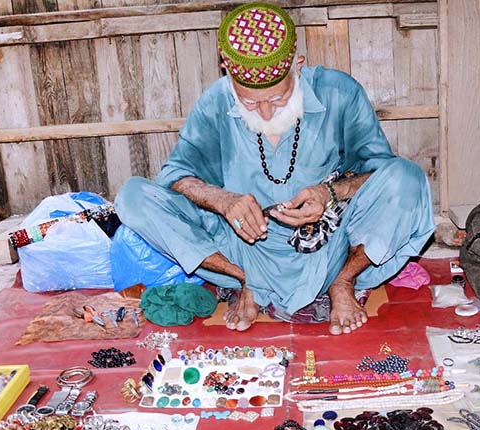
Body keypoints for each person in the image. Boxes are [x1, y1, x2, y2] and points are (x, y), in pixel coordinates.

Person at [115, 2, 434, 335]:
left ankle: (343, 283)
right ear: (227, 75)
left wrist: (328, 192)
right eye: (250, 102)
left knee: (407, 178)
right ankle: (247, 283)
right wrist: (224, 202)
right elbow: (174, 176)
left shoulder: (339, 93)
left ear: (297, 66)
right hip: (242, 250)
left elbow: (382, 171)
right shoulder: (215, 102)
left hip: (329, 247)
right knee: (133, 197)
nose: (265, 113)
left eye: (278, 99)